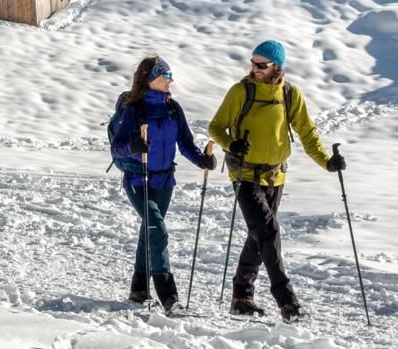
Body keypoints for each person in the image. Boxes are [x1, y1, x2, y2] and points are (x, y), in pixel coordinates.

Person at [206, 40, 345, 321]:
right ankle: (287, 302)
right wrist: (231, 144)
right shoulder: (240, 91)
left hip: (275, 176)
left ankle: (241, 297)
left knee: (259, 236)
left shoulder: (290, 94)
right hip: (244, 175)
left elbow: (307, 133)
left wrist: (327, 162)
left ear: (276, 66)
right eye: (253, 63)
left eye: (262, 64)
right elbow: (216, 127)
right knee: (268, 232)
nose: (255, 68)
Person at [109, 54, 217, 314]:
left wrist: (202, 160)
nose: (170, 80)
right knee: (157, 229)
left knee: (149, 230)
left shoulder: (172, 108)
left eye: (170, 75)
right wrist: (134, 146)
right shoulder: (134, 109)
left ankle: (138, 290)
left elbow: (186, 143)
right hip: (138, 179)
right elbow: (117, 148)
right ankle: (169, 297)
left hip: (165, 180)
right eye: (165, 75)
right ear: (149, 79)